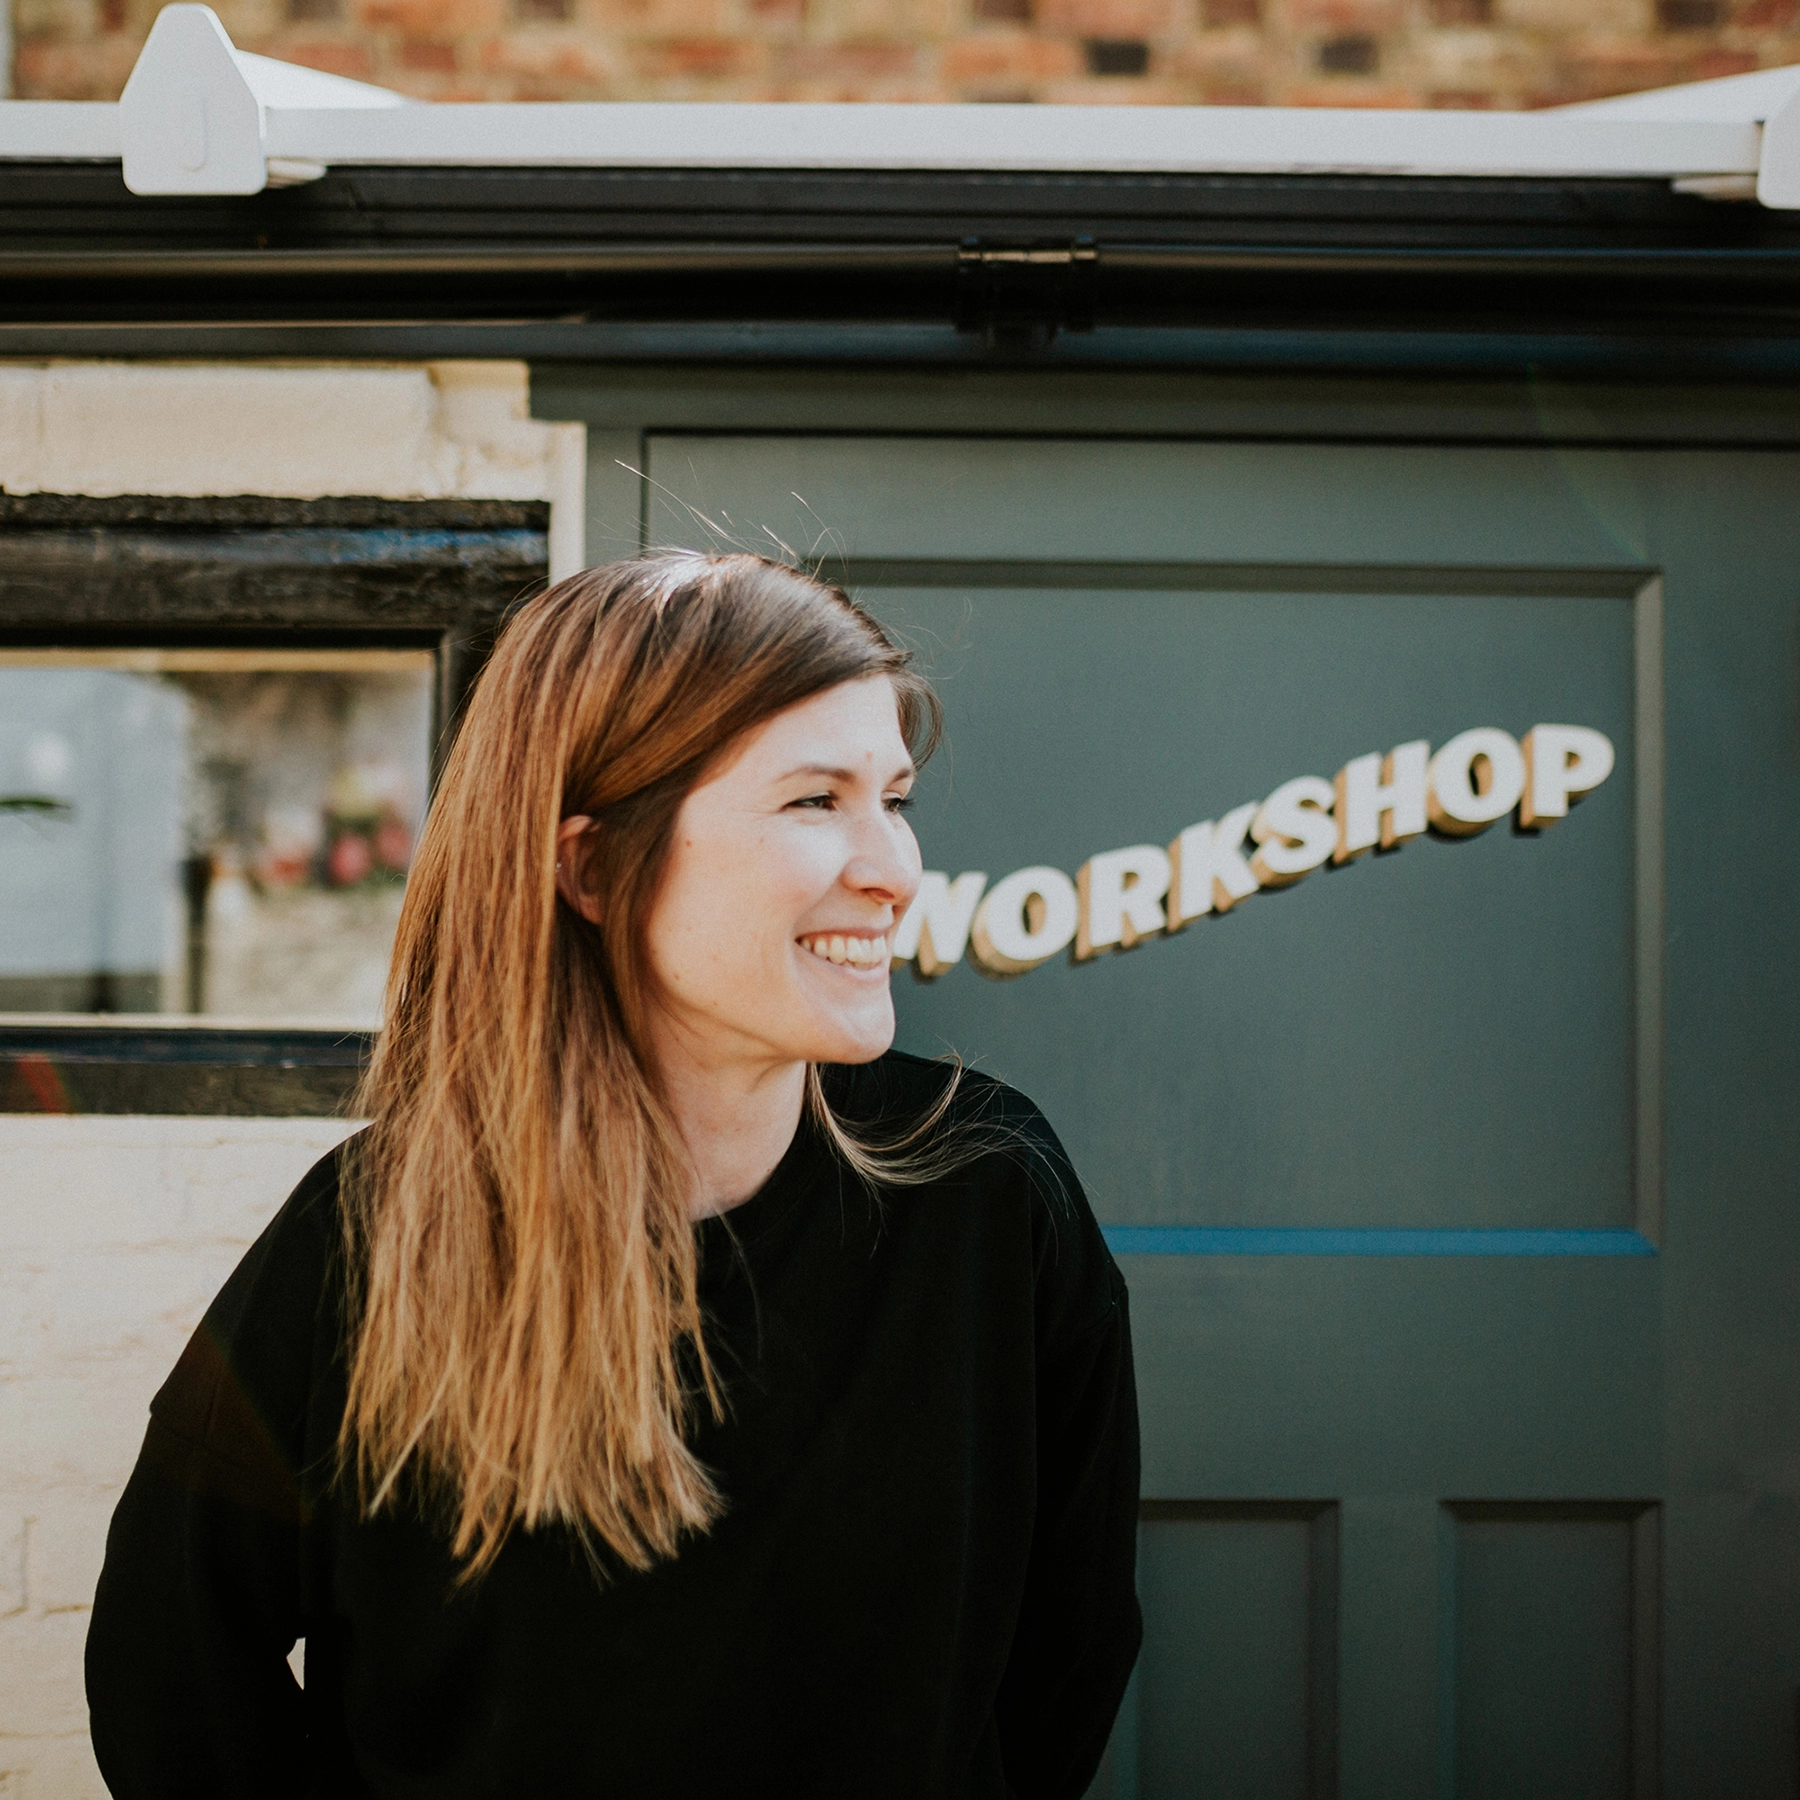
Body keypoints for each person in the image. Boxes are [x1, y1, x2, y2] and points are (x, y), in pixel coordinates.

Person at [85, 552, 1142, 1798]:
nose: (894, 867)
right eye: (815, 801)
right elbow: (173, 1679)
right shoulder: (373, 1235)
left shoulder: (985, 1191)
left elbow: (1068, 1645)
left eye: (893, 798)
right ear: (591, 866)